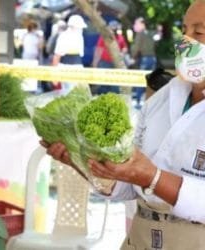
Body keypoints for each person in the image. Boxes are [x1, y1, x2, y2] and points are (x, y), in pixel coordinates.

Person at [41, 1, 205, 249]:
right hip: (140, 239)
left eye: (199, 32)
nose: (185, 40)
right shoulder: (163, 97)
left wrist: (152, 176)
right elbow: (127, 187)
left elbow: (147, 176)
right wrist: (83, 161)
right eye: (184, 29)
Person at [53, 14, 87, 94]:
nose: (81, 29)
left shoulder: (80, 36)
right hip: (65, 67)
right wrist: (54, 75)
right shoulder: (64, 36)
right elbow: (57, 56)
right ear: (72, 27)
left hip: (78, 67)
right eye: (79, 27)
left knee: (81, 93)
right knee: (68, 93)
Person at [92, 20, 128, 94]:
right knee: (104, 82)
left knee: (115, 83)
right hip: (104, 63)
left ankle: (114, 98)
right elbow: (99, 50)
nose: (113, 29)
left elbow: (125, 48)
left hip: (115, 63)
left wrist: (122, 53)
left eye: (115, 27)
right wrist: (95, 63)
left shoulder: (120, 37)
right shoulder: (104, 37)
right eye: (112, 27)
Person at [131, 17, 157, 108]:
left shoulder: (140, 34)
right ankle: (150, 102)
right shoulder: (150, 33)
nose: (135, 26)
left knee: (141, 79)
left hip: (145, 59)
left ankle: (138, 101)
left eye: (136, 24)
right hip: (153, 58)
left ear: (142, 24)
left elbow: (136, 47)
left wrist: (132, 57)